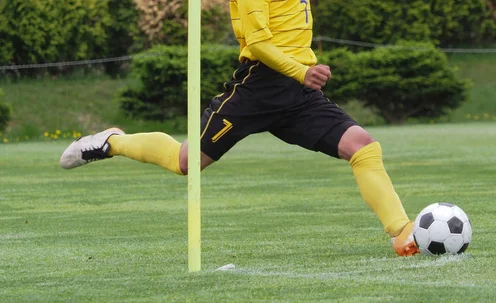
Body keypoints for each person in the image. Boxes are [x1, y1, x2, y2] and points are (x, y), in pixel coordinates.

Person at [60, 0, 419, 257]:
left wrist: (302, 76)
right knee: (187, 162)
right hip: (258, 90)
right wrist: (302, 71)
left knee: (363, 146)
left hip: (299, 95)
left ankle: (402, 232)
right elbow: (260, 44)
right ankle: (112, 141)